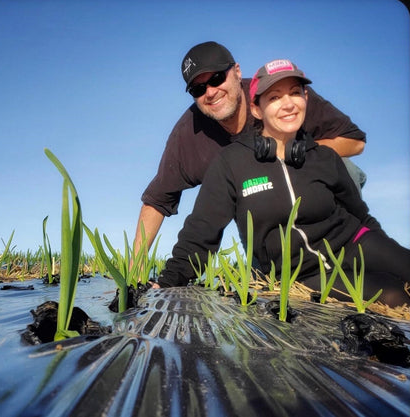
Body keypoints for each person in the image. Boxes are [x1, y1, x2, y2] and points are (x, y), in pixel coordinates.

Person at [154, 59, 410, 307]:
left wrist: (388, 253)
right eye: (274, 97)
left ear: (305, 99)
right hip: (303, 274)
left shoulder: (325, 157)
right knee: (394, 296)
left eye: (295, 93)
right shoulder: (231, 163)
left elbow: (361, 217)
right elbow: (200, 234)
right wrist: (166, 283)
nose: (288, 104)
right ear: (257, 109)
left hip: (355, 243)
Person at [134, 41, 366, 258]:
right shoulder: (188, 134)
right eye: (198, 89)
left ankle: (357, 254)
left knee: (346, 168)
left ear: (236, 71)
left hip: (317, 199)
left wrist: (296, 150)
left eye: (216, 78)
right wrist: (135, 271)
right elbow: (156, 201)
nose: (210, 92)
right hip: (264, 226)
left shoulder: (280, 95)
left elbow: (354, 142)